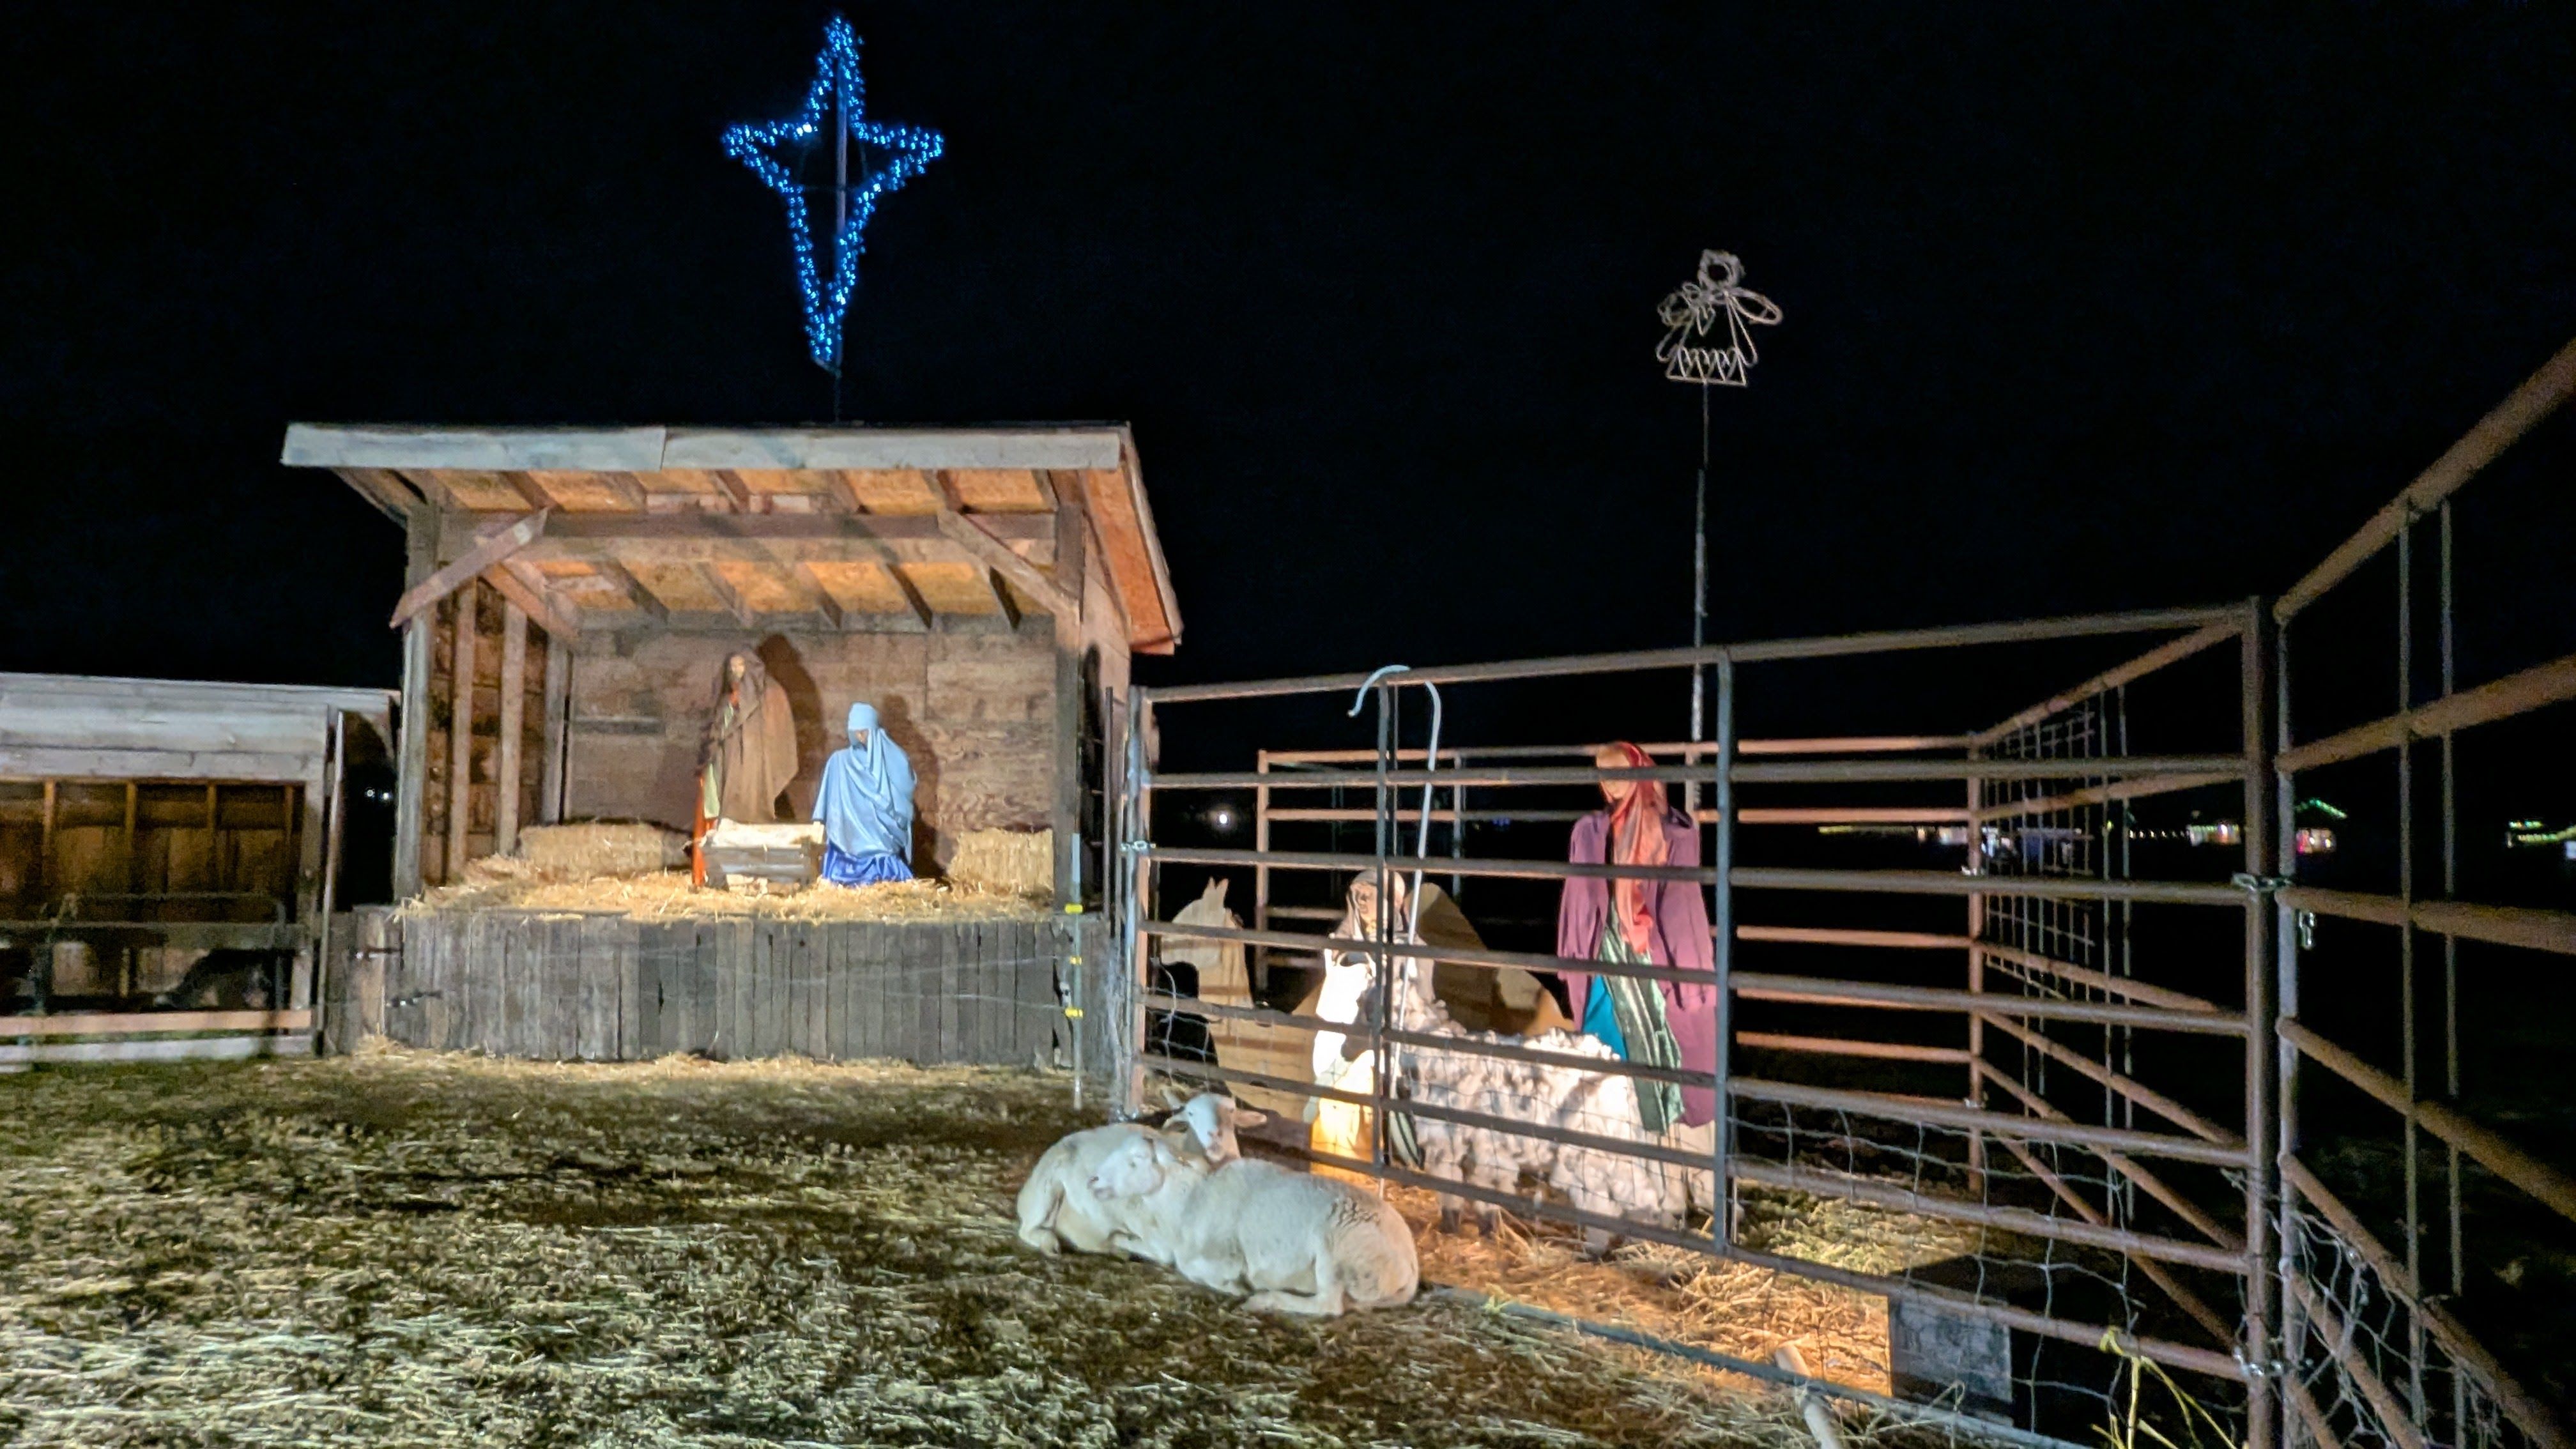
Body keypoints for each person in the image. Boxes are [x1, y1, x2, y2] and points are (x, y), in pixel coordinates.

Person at [1554, 741, 1718, 1135]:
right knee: (1604, 1039)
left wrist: (1688, 970)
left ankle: (1664, 1122)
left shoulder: (1672, 834)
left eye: (1620, 772)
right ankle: (1611, 1123)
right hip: (1603, 951)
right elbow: (1576, 900)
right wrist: (1572, 952)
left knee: (1666, 1039)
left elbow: (1683, 909)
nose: (1612, 784)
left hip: (1653, 955)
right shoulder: (1588, 832)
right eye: (1604, 774)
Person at [694, 652, 799, 885]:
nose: (736, 671)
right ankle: (726, 873)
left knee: (754, 813)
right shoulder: (724, 697)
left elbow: (778, 733)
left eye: (741, 666)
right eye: (732, 666)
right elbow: (714, 733)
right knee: (727, 818)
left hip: (756, 767)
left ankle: (756, 874)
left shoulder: (769, 694)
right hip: (729, 766)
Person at [815, 702, 917, 886]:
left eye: (865, 731)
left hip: (881, 845)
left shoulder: (893, 759)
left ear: (874, 730)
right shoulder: (839, 761)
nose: (860, 736)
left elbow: (905, 788)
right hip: (846, 849)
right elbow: (828, 802)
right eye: (856, 731)